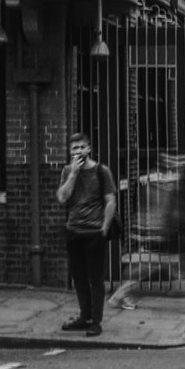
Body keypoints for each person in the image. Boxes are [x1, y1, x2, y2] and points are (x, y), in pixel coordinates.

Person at [56, 135, 117, 335]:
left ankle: (96, 321)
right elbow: (62, 198)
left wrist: (104, 230)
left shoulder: (102, 171)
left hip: (94, 232)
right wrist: (73, 174)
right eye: (75, 148)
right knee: (79, 278)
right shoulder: (67, 171)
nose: (79, 151)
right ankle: (85, 316)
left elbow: (110, 201)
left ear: (89, 148)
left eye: (82, 147)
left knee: (95, 279)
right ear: (70, 152)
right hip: (74, 231)